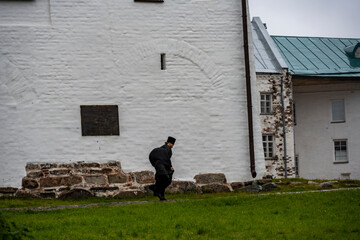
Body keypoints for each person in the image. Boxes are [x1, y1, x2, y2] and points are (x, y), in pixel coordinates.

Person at [148, 136, 176, 201]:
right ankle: (155, 188)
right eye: (172, 144)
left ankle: (161, 196)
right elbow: (166, 158)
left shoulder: (162, 148)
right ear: (169, 143)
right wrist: (170, 166)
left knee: (161, 180)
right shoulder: (168, 149)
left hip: (159, 165)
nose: (173, 146)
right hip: (162, 165)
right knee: (166, 179)